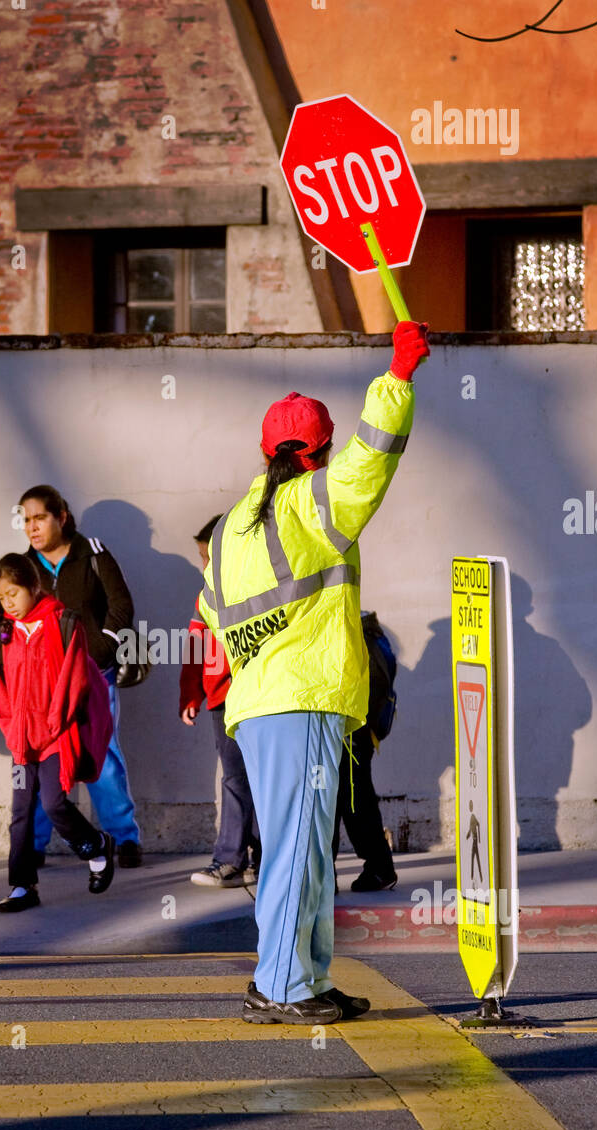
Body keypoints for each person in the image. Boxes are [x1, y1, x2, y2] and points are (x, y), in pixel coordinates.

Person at [198, 321, 429, 1025]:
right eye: (328, 451)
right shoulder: (310, 501)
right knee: (301, 852)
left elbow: (210, 611)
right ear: (318, 451)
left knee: (301, 853)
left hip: (262, 702)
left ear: (266, 451)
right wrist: (397, 377)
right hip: (305, 700)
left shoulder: (237, 522)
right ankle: (281, 987)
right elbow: (372, 460)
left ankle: (305, 975)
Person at [0, 486, 142, 868]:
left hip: (93, 676)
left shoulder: (92, 552)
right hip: (42, 689)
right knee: (39, 757)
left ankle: (124, 838)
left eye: (39, 517)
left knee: (101, 752)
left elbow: (121, 605)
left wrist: (97, 654)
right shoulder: (24, 567)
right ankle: (35, 845)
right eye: (25, 520)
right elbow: (4, 615)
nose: (31, 527)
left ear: (61, 517)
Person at [0, 552, 115, 911]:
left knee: (55, 804)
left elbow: (73, 678)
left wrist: (52, 725)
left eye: (13, 593)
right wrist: (13, 730)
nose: (7, 603)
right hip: (21, 741)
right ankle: (22, 886)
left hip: (55, 736)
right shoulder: (5, 634)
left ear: (33, 586)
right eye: (1, 597)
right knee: (21, 812)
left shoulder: (63, 623)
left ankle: (96, 846)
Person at [180, 514, 261, 888]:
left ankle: (254, 858)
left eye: (209, 556)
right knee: (235, 778)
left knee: (260, 780)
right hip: (219, 700)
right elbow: (195, 648)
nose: (204, 566)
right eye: (201, 558)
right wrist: (191, 695)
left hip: (256, 696)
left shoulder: (256, 586)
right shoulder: (205, 598)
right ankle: (231, 858)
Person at [332, 611, 399, 892]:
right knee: (355, 801)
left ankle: (326, 877)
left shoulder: (340, 627)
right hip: (356, 730)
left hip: (344, 729)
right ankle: (379, 867)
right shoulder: (362, 626)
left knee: (334, 802)